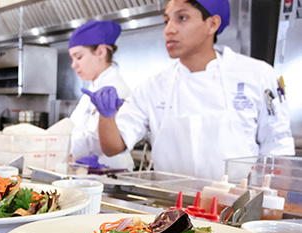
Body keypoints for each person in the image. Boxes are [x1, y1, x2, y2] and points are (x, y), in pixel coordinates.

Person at [85, 0, 295, 180]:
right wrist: (106, 115)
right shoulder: (154, 86)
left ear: (212, 24)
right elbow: (113, 146)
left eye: (182, 18)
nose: (169, 29)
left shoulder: (257, 75)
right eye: (166, 21)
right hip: (169, 209)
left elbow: (279, 149)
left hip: (238, 209)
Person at [68, 20, 135, 171]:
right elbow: (75, 128)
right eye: (72, 59)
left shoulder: (114, 90)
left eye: (78, 57)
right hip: (89, 172)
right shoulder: (94, 86)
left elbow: (98, 139)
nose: (73, 65)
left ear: (101, 52)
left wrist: (61, 145)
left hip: (110, 172)